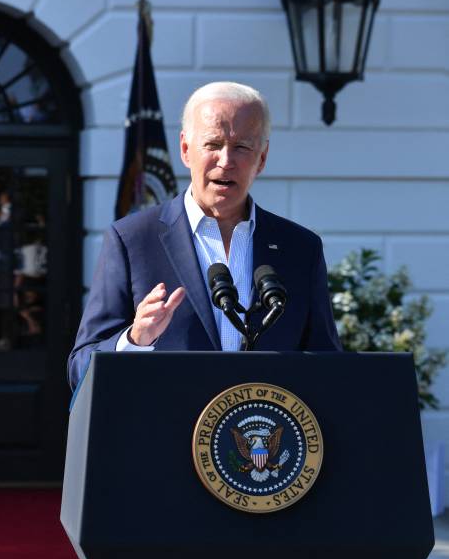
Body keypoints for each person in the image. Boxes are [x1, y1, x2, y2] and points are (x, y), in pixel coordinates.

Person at [68, 82, 341, 392]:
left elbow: (327, 362)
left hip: (260, 436)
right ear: (186, 150)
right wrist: (134, 340)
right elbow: (80, 366)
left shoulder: (299, 248)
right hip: (165, 434)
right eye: (213, 144)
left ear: (262, 158)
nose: (226, 160)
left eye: (242, 147)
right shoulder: (132, 239)